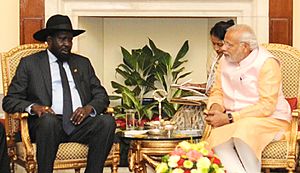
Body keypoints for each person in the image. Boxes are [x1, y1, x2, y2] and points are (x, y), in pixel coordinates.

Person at [2, 14, 116, 173]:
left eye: (70, 39)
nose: (67, 44)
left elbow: (101, 95)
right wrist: (34, 107)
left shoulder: (82, 63)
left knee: (107, 122)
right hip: (46, 125)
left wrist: (88, 109)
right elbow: (9, 101)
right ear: (49, 40)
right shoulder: (30, 64)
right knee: (49, 121)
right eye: (62, 39)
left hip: (78, 123)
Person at [205, 24, 291, 173]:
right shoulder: (224, 61)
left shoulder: (267, 63)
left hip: (270, 119)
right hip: (236, 120)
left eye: (228, 44)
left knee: (243, 132)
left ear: (244, 47)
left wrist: (230, 118)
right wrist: (215, 109)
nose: (222, 48)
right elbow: (217, 91)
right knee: (217, 140)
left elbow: (267, 106)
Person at [183, 19, 234, 95]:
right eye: (213, 44)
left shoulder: (235, 61)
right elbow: (211, 86)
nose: (216, 48)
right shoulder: (214, 58)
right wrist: (193, 86)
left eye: (220, 44)